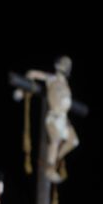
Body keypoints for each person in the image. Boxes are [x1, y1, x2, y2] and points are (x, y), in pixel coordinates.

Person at [25, 56, 79, 184]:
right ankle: (49, 169)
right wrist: (23, 90)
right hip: (54, 117)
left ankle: (53, 161)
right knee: (55, 140)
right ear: (58, 65)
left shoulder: (66, 84)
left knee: (74, 141)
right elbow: (32, 73)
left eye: (67, 65)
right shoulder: (51, 78)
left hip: (63, 119)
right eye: (63, 64)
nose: (64, 67)